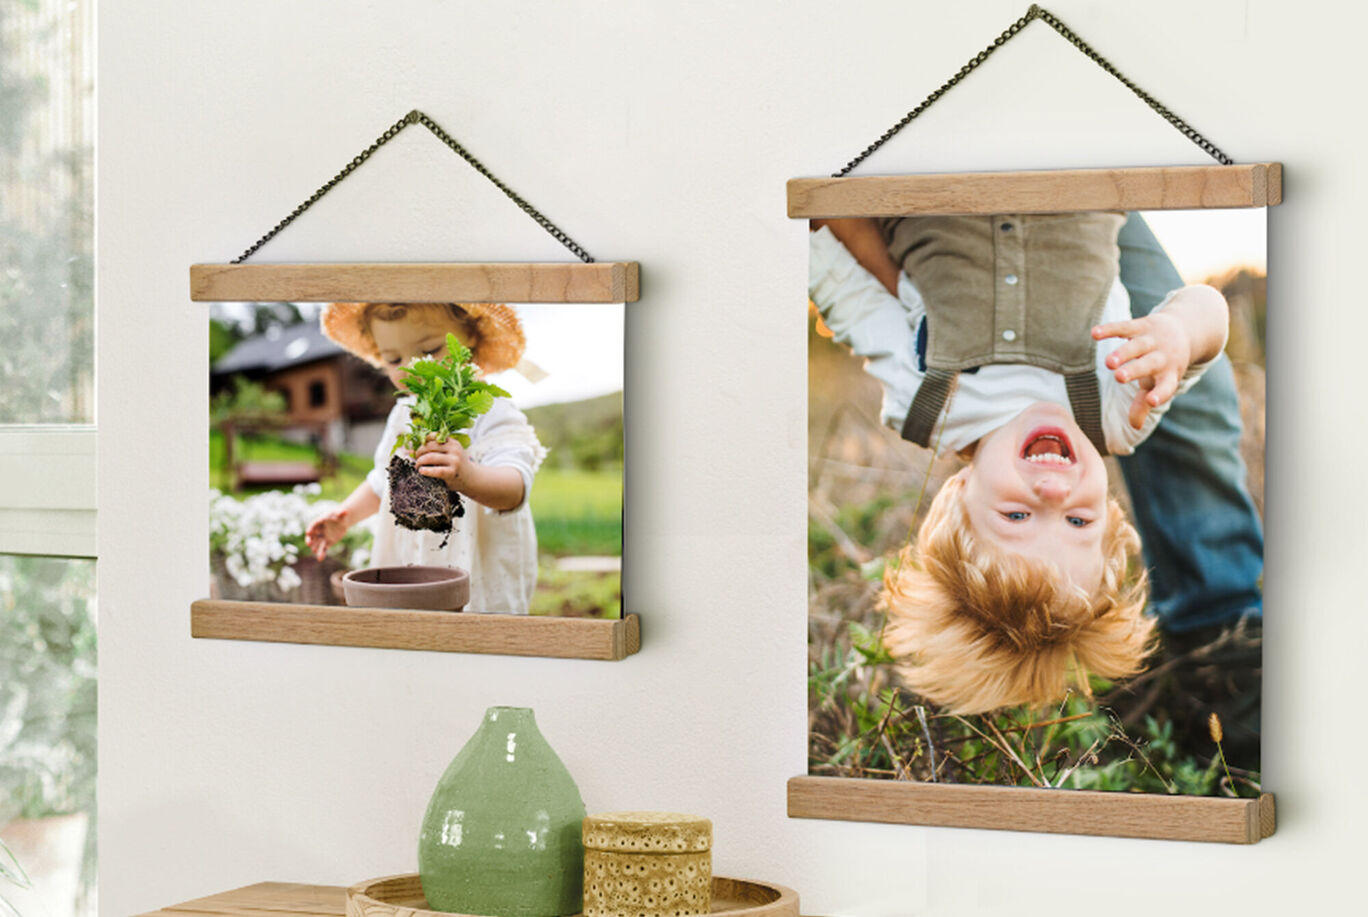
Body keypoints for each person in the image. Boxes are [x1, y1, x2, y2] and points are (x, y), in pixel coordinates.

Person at [809, 214, 1230, 712]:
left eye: (1016, 516)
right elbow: (1210, 309)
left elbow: (843, 287)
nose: (1054, 493)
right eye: (1078, 521)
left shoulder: (925, 403)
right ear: (1110, 514)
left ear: (959, 495)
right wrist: (1179, 332)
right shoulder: (1120, 413)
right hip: (1070, 186)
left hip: (931, 194)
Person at [305, 302, 546, 615]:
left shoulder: (491, 409)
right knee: (412, 627)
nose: (412, 368)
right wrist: (346, 516)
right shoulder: (402, 415)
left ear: (471, 335)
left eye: (431, 351)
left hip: (476, 566)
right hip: (412, 562)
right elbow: (382, 482)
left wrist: (468, 477)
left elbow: (515, 487)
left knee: (475, 632)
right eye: (394, 359)